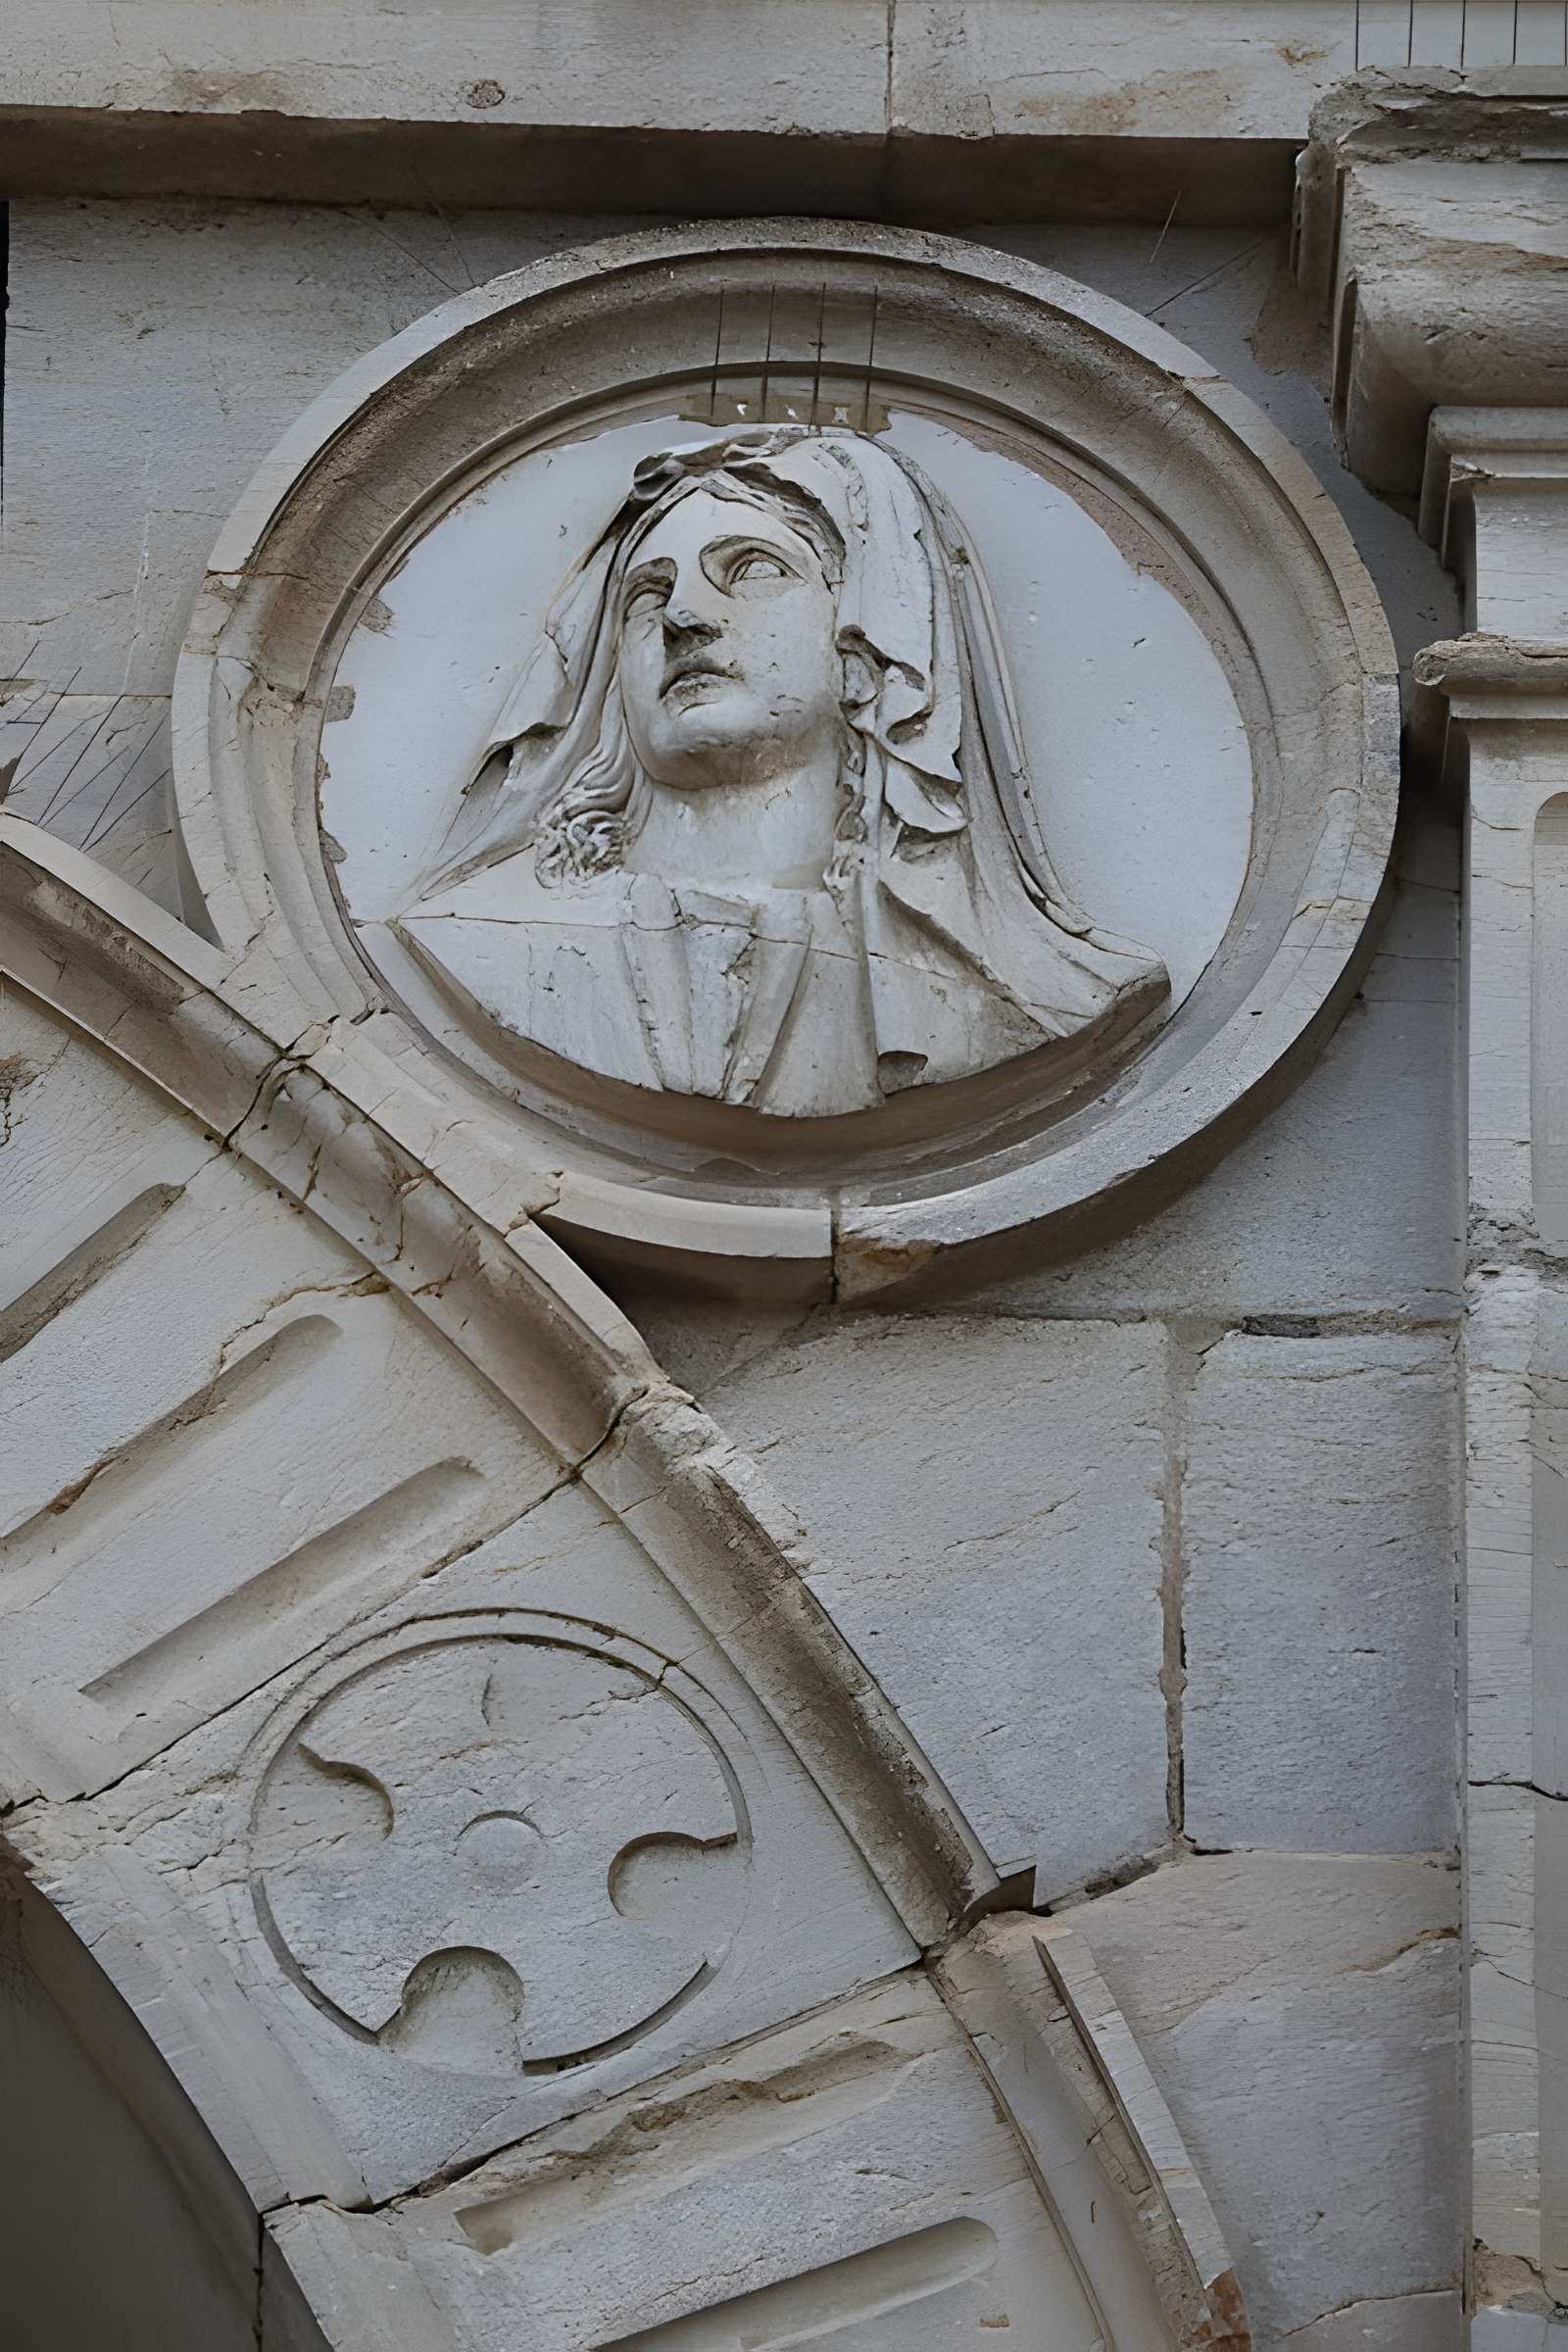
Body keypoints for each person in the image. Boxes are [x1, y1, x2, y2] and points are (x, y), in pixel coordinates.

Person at [397, 426, 1167, 1119]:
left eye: (755, 570)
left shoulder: (1032, 995)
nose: (683, 617)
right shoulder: (477, 942)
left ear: (873, 639)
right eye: (649, 593)